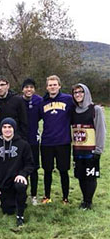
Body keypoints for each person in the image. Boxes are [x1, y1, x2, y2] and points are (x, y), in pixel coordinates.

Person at [0, 118, 34, 227]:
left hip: (17, 179)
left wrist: (23, 174)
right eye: (4, 127)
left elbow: (30, 164)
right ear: (1, 129)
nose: (7, 130)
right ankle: (15, 202)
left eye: (10, 127)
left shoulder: (23, 144)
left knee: (20, 185)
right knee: (7, 211)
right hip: (3, 183)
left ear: (14, 129)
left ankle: (20, 216)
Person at [39, 75, 74, 204]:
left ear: (59, 86)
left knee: (63, 171)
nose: (52, 87)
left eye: (55, 84)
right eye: (50, 85)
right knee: (47, 170)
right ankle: (47, 196)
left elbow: (82, 107)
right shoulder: (42, 102)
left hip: (63, 142)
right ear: (47, 87)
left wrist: (96, 108)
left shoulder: (68, 99)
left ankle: (65, 198)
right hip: (47, 142)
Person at [71, 83, 106, 210]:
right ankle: (84, 200)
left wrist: (98, 150)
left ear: (86, 93)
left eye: (80, 92)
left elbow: (101, 130)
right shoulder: (73, 111)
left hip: (91, 151)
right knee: (81, 176)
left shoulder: (95, 110)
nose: (78, 95)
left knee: (90, 177)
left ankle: (88, 202)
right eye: (75, 93)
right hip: (78, 150)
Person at [21, 78, 43, 205]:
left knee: (34, 169)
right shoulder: (18, 101)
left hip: (34, 140)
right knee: (22, 169)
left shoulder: (39, 100)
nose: (29, 89)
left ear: (34, 89)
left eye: (31, 87)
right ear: (22, 89)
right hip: (21, 140)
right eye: (26, 87)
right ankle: (22, 194)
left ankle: (34, 195)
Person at [0, 76, 28, 140]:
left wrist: (22, 139)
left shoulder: (18, 100)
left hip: (17, 138)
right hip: (0, 140)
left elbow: (24, 122)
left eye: (2, 85)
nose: (0, 88)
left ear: (8, 85)